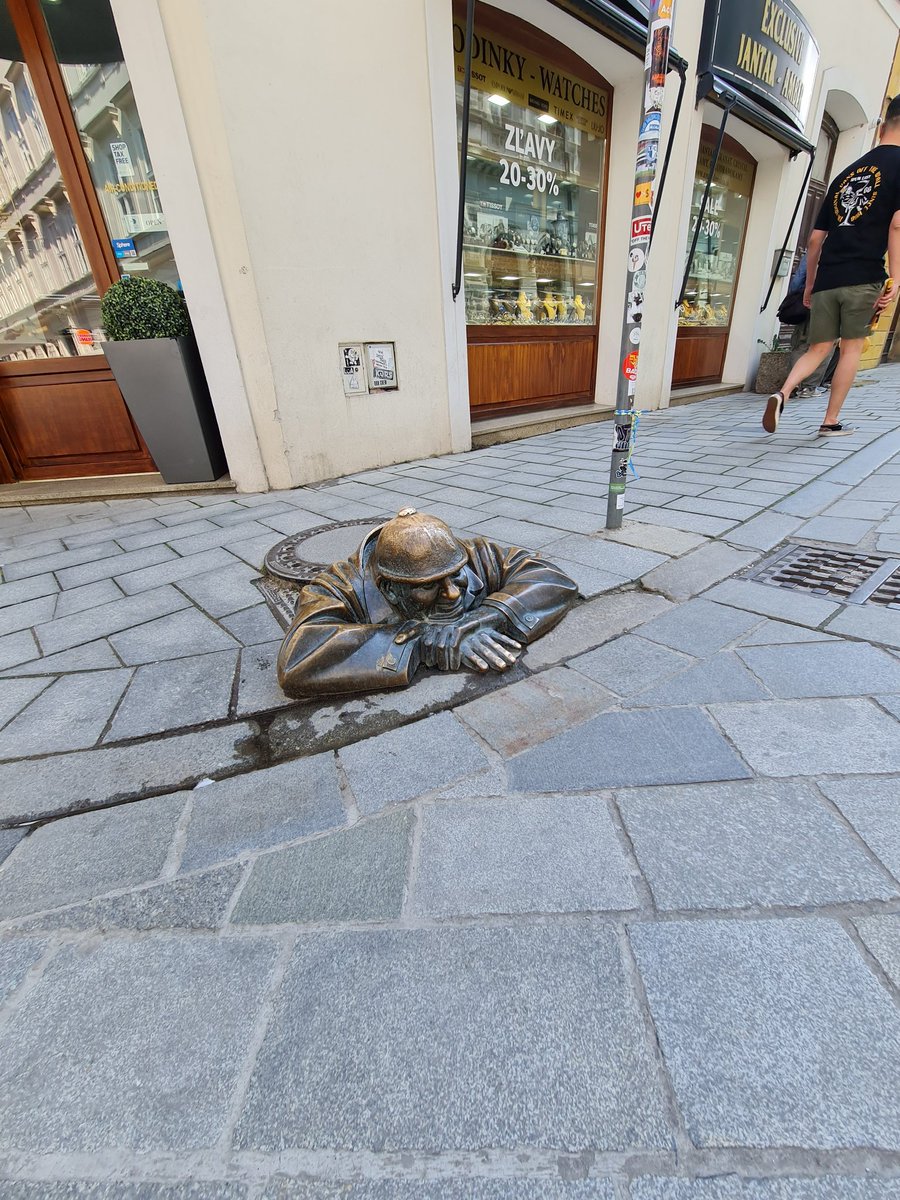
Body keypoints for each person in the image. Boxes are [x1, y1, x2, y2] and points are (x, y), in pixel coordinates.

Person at [276, 508, 578, 699]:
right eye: (428, 586)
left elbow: (551, 577)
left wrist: (487, 616)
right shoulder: (336, 586)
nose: (453, 593)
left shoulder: (466, 553)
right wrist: (419, 640)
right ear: (390, 590)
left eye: (455, 575)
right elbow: (298, 660)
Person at [764, 96, 900, 437]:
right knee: (850, 347)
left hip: (827, 279)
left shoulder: (844, 175)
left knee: (818, 348)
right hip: (863, 276)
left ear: (881, 128)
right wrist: (896, 278)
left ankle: (783, 393)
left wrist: (810, 284)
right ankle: (830, 421)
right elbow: (897, 225)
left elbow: (814, 240)